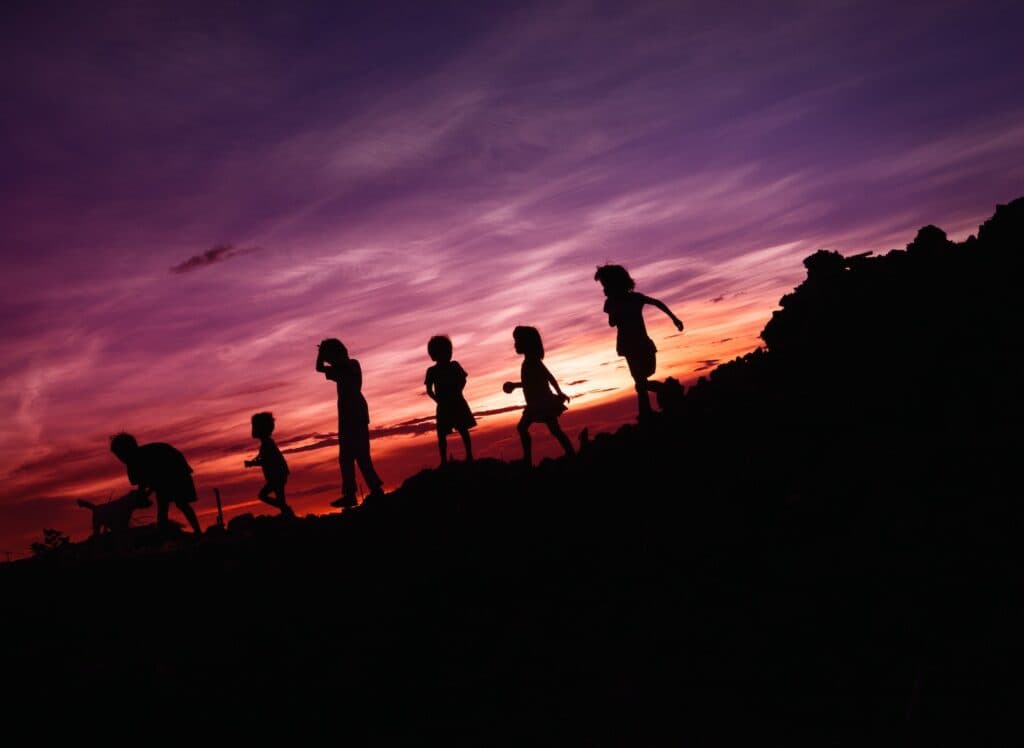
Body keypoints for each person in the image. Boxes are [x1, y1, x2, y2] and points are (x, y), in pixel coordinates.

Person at [594, 264, 684, 420]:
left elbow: (657, 303)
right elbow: (612, 323)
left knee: (645, 377)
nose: (604, 289)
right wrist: (614, 306)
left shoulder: (636, 298)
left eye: (605, 284)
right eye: (603, 285)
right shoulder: (611, 303)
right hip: (628, 346)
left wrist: (675, 318)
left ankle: (663, 392)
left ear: (616, 283)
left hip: (642, 343)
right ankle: (646, 412)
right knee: (640, 382)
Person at [316, 338, 384, 509]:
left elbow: (338, 366)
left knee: (361, 454)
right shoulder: (339, 369)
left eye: (330, 356)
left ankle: (374, 489)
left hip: (356, 415)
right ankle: (351, 494)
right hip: (347, 417)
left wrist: (327, 355)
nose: (329, 361)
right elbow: (319, 368)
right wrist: (321, 354)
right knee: (346, 457)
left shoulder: (352, 364)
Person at [502, 326, 575, 465]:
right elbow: (529, 383)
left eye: (517, 341)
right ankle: (568, 452)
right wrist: (515, 386)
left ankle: (528, 459)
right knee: (552, 430)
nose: (515, 345)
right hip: (537, 403)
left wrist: (559, 392)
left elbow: (549, 377)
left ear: (526, 343)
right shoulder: (530, 361)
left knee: (527, 428)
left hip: (542, 402)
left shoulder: (532, 361)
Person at [109, 432, 203, 536]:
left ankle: (195, 531)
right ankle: (169, 530)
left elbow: (146, 481)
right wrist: (144, 493)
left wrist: (142, 494)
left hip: (175, 470)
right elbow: (148, 481)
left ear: (126, 450)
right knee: (171, 504)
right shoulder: (135, 460)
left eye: (120, 454)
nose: (120, 458)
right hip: (168, 473)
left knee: (178, 503)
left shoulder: (139, 458)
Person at [425, 335, 476, 466]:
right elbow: (429, 390)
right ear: (435, 354)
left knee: (463, 429)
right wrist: (437, 400)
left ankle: (469, 456)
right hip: (444, 405)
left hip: (456, 402)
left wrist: (458, 391)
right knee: (442, 434)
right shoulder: (432, 371)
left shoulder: (454, 365)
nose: (449, 353)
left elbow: (463, 379)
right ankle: (444, 461)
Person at [244, 412, 295, 518]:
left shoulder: (267, 443)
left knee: (263, 495)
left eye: (254, 426)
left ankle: (287, 511)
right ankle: (287, 513)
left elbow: (265, 460)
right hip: (278, 474)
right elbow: (264, 459)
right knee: (279, 498)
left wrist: (252, 464)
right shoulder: (267, 443)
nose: (252, 429)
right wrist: (252, 462)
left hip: (277, 475)